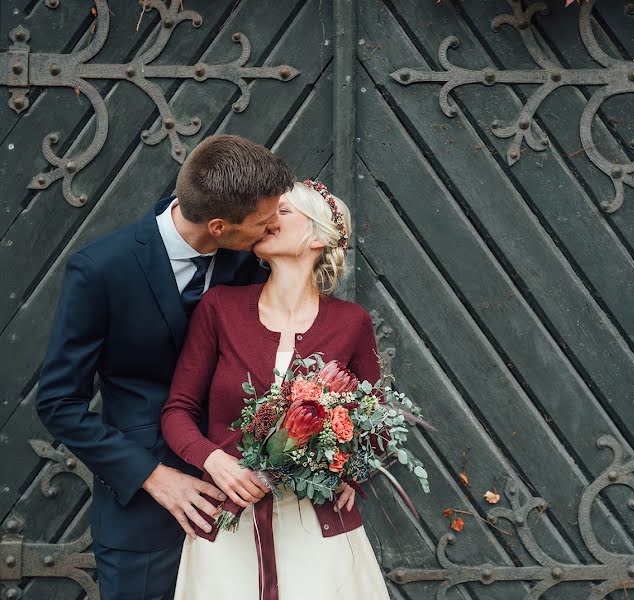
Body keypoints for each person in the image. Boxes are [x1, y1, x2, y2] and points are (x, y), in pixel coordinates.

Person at [36, 135, 294, 600]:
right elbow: (58, 403)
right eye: (263, 221)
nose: (273, 227)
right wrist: (152, 476)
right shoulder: (100, 270)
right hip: (145, 511)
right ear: (218, 226)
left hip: (244, 499)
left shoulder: (255, 259)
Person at [161, 179, 390, 600]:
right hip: (228, 521)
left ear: (318, 236)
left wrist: (348, 475)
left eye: (282, 212)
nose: (267, 219)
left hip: (317, 530)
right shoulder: (219, 309)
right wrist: (214, 461)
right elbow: (177, 411)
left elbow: (376, 426)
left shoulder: (351, 322)